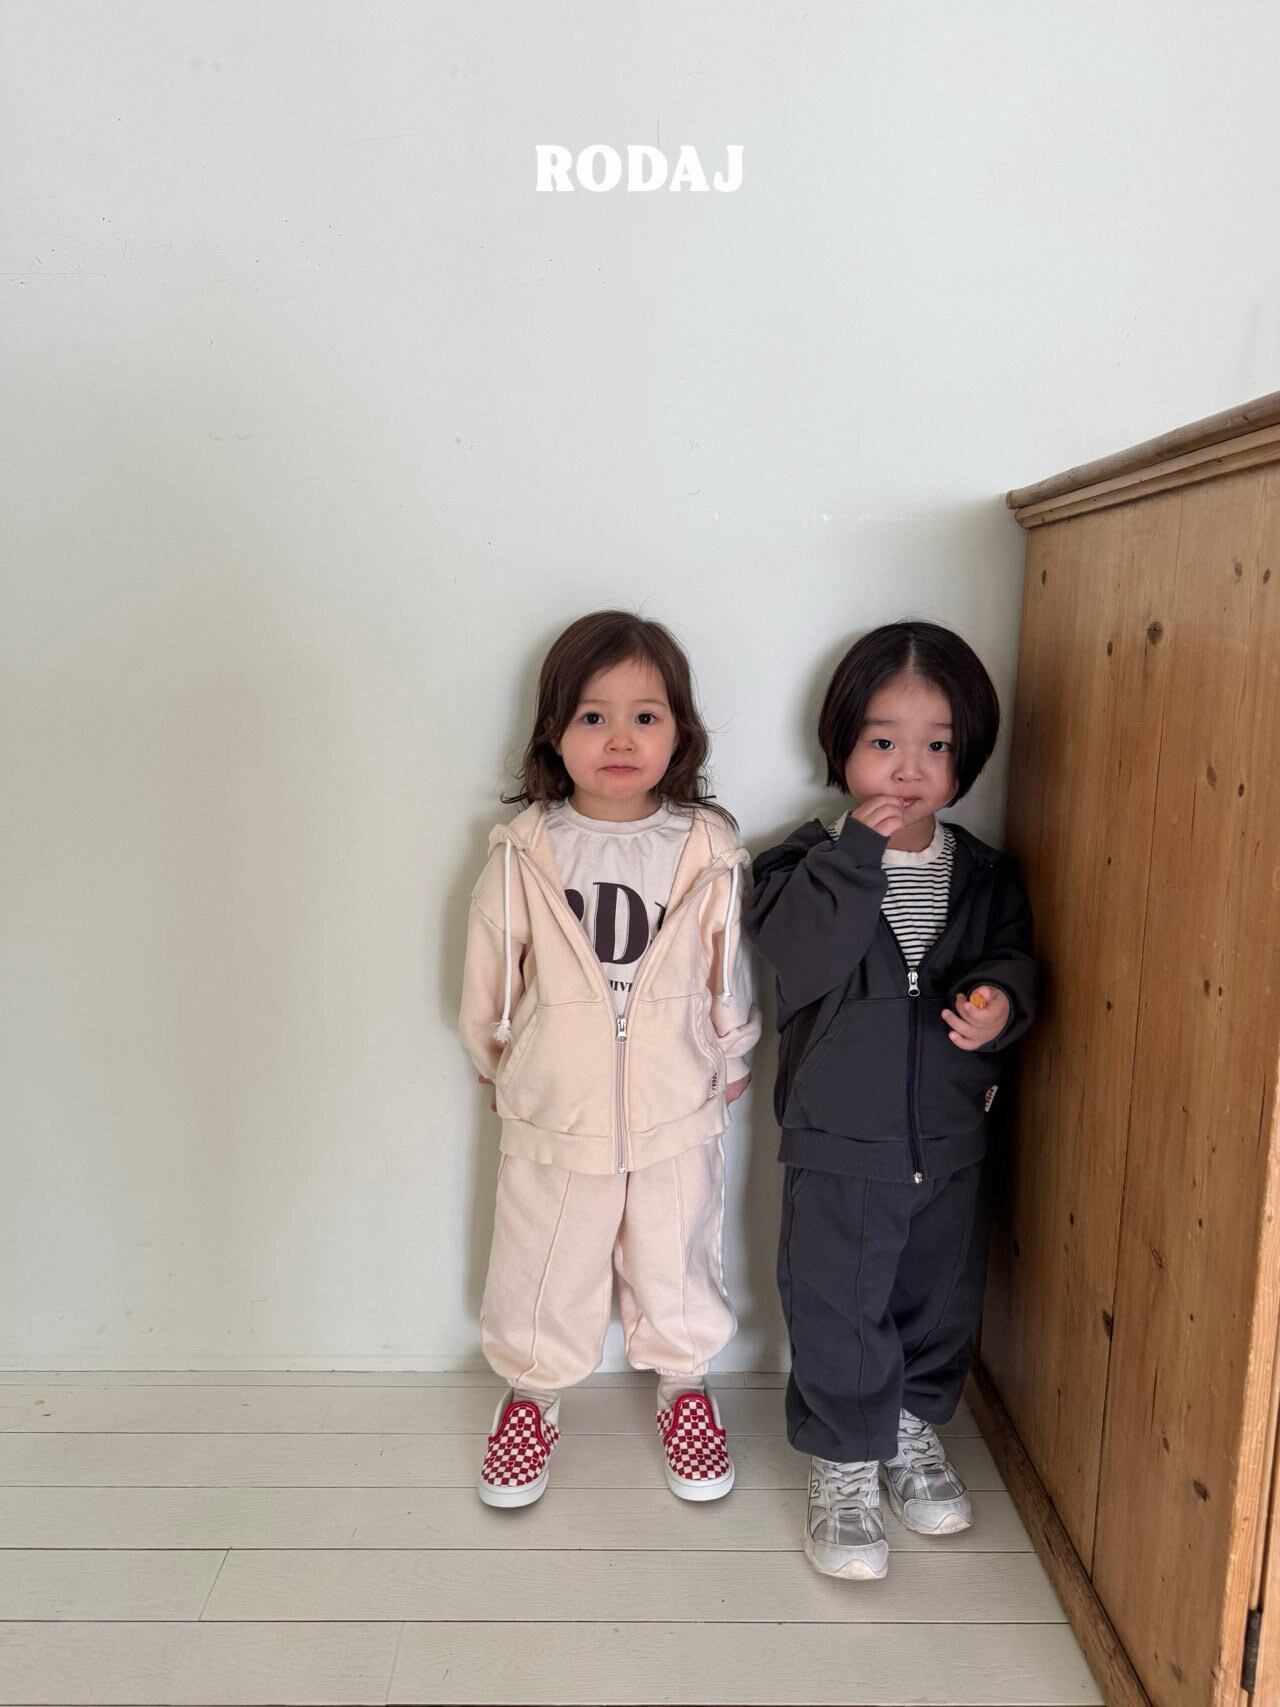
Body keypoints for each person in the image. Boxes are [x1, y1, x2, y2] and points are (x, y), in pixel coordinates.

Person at [743, 620, 1036, 1580]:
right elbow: (805, 953)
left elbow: (1014, 961)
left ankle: (910, 1427)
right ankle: (843, 1459)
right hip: (838, 1140)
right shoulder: (797, 865)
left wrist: (998, 1006)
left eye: (937, 744)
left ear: (966, 756)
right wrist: (858, 856)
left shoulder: (983, 874)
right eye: (883, 741)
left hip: (950, 1136)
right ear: (842, 746)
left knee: (937, 1297)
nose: (909, 767)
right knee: (838, 1303)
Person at [459, 610, 760, 1508]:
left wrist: (732, 1049)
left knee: (676, 1252)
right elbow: (489, 972)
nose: (620, 738)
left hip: (676, 1100)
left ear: (679, 732)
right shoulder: (527, 850)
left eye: (645, 716)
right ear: (555, 732)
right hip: (558, 1106)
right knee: (544, 1255)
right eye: (594, 716)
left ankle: (685, 1385)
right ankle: (533, 1394)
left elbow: (727, 962)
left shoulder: (703, 846)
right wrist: (500, 1060)